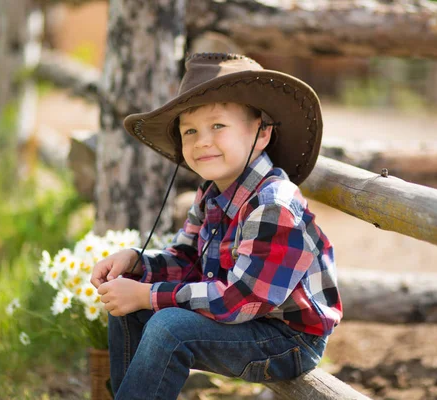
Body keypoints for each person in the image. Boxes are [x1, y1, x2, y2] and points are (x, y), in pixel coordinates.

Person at [90, 53, 342, 400]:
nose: (202, 141)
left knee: (167, 327)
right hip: (245, 319)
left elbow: (240, 300)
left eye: (217, 126)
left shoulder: (273, 205)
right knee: (130, 297)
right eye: (190, 131)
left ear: (262, 132)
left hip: (288, 339)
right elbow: (187, 261)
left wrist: (148, 295)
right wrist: (138, 263)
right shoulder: (211, 194)